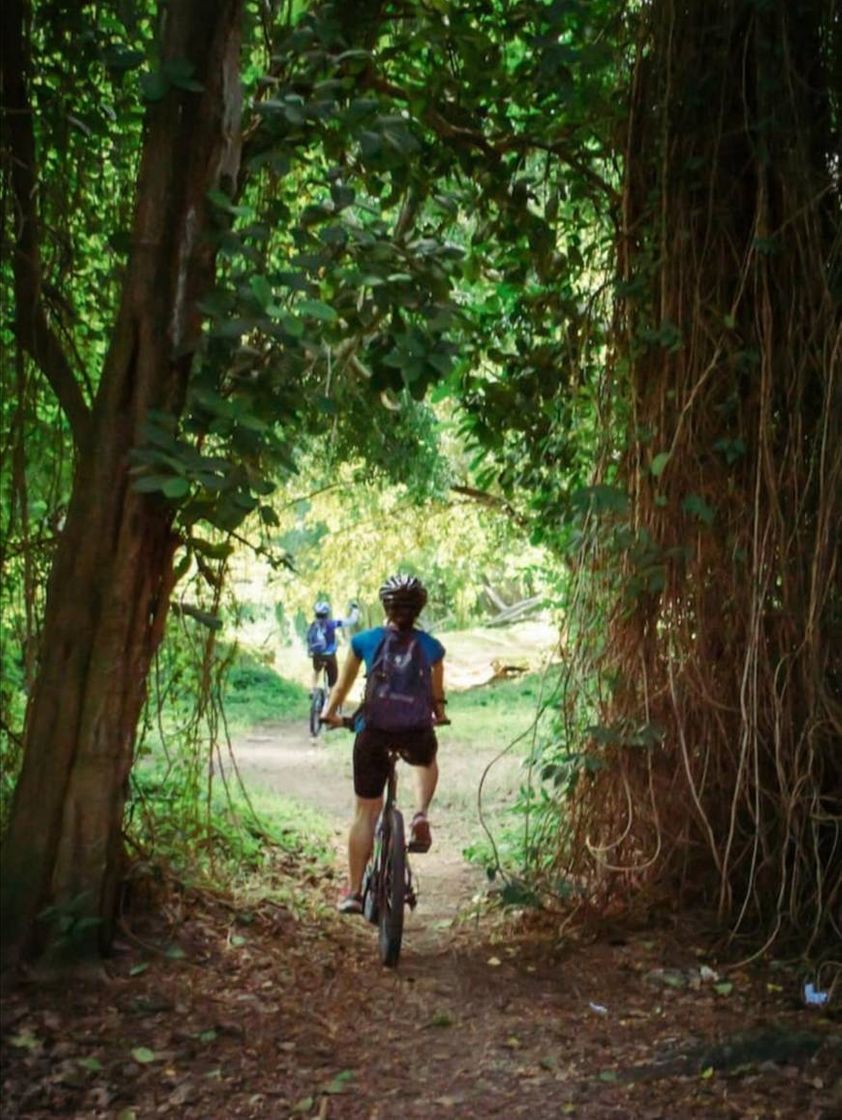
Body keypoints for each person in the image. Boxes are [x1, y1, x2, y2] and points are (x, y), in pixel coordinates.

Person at [321, 574, 447, 915]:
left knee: (366, 811)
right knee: (426, 758)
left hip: (373, 732)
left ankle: (355, 891)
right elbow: (437, 699)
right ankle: (421, 813)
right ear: (419, 609)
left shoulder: (364, 640)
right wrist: (439, 714)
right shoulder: (432, 647)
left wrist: (329, 714)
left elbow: (341, 688)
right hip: (415, 732)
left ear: (386, 607)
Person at [306, 599, 360, 695]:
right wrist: (355, 610)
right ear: (327, 614)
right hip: (330, 656)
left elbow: (308, 639)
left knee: (316, 671)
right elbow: (351, 621)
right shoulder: (332, 623)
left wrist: (309, 651)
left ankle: (312, 689)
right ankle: (331, 697)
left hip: (317, 655)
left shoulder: (313, 625)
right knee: (333, 681)